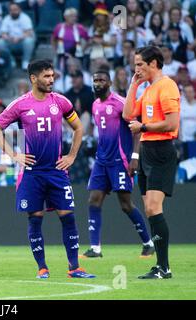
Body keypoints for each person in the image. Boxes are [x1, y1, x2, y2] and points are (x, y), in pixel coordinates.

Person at [0, 60, 95, 279]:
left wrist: (72, 155)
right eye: (46, 76)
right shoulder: (20, 105)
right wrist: (14, 155)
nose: (51, 80)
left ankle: (74, 268)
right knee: (35, 218)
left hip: (57, 171)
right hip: (32, 173)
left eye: (52, 76)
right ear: (33, 79)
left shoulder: (61, 102)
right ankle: (42, 268)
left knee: (68, 216)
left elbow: (78, 127)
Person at [82, 70, 154, 259]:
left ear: (110, 82)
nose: (98, 83)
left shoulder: (121, 103)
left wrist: (135, 156)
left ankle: (148, 243)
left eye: (101, 80)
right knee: (94, 200)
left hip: (120, 161)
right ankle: (95, 248)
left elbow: (136, 131)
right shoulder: (95, 105)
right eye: (95, 80)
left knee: (125, 204)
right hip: (101, 161)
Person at [123, 46, 180, 279]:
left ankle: (164, 267)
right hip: (147, 150)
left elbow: (172, 122)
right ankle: (160, 266)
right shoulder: (147, 89)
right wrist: (134, 84)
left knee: (154, 208)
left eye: (140, 64)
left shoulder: (166, 86)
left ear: (154, 63)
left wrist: (143, 127)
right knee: (149, 209)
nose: (136, 69)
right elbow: (128, 114)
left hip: (161, 150)